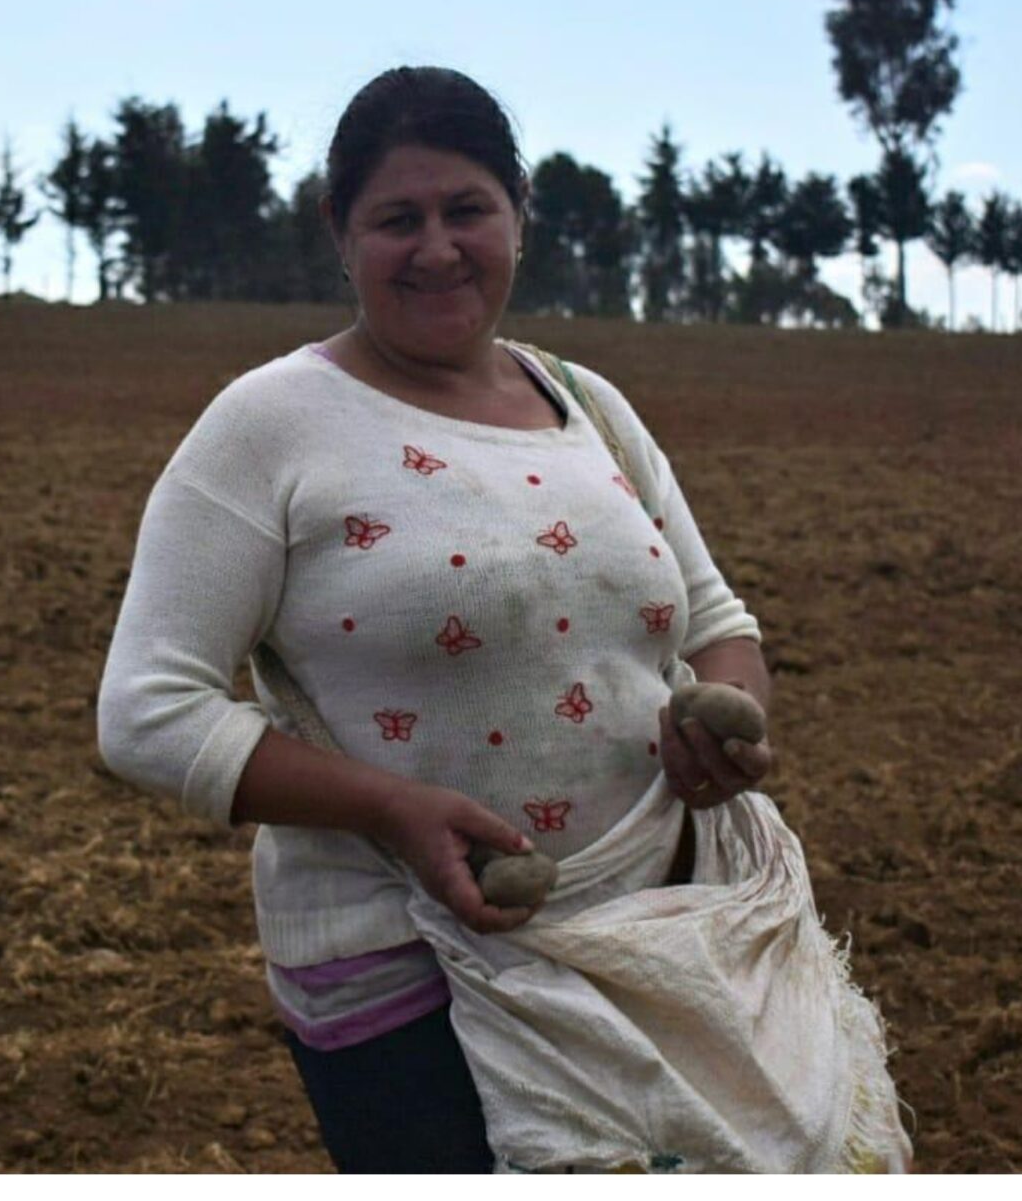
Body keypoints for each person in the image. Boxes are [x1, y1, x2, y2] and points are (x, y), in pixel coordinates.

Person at [96, 67, 793, 1172]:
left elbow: (715, 617)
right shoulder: (270, 423)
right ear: (338, 230)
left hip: (659, 941)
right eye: (396, 218)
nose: (436, 248)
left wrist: (730, 714)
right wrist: (390, 807)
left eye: (467, 209)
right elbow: (146, 710)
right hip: (408, 977)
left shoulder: (588, 403)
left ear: (518, 211)